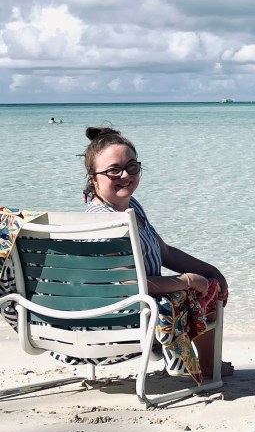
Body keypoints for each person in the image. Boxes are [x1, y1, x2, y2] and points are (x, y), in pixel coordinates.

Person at [82, 126, 232, 381]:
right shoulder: (105, 222)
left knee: (207, 281)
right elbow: (129, 285)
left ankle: (197, 361)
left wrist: (210, 270)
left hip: (134, 305)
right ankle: (205, 367)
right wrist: (189, 281)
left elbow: (163, 251)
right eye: (113, 170)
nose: (125, 175)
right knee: (200, 289)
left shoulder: (130, 208)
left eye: (132, 167)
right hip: (122, 314)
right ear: (94, 179)